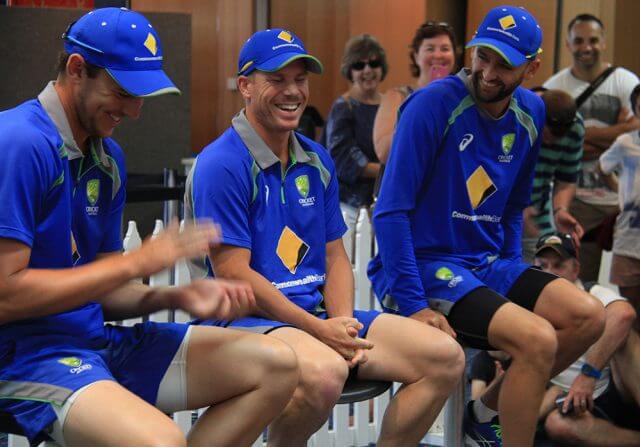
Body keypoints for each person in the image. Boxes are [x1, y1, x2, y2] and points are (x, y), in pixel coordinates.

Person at [0, 9, 299, 447]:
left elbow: (104, 294)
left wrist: (175, 296)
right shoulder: (20, 142)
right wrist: (137, 262)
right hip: (21, 359)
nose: (135, 111)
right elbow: (6, 296)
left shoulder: (106, 159)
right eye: (123, 91)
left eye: (143, 95)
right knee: (160, 441)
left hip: (95, 343)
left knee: (278, 365)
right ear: (77, 69)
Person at [186, 28, 465, 447]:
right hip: (243, 324)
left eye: (300, 79)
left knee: (445, 357)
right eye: (276, 80)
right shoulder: (221, 164)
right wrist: (320, 331)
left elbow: (335, 256)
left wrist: (340, 325)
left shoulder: (316, 158)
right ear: (245, 86)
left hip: (313, 318)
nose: (292, 91)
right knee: (325, 372)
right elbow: (234, 273)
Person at [368, 6, 605, 447]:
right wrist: (414, 304)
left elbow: (514, 207)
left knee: (590, 317)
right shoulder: (431, 105)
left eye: (505, 64)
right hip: (423, 265)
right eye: (483, 57)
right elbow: (390, 212)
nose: (489, 73)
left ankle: (486, 413)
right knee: (536, 339)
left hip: (486, 262)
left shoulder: (532, 112)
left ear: (532, 68)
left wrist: (510, 277)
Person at [544, 13, 640, 282]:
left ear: (604, 42)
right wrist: (617, 134)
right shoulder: (555, 86)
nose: (586, 47)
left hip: (621, 203)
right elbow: (553, 143)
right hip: (575, 202)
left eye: (593, 40)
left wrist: (580, 138)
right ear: (568, 44)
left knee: (625, 284)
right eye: (579, 41)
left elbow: (637, 133)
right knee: (578, 279)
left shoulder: (625, 82)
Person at [533, 233, 640, 447]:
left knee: (625, 335)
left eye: (558, 265)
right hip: (563, 398)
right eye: (542, 266)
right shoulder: (530, 301)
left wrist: (588, 375)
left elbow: (624, 314)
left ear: (575, 269)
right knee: (557, 425)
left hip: (609, 387)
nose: (549, 273)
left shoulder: (593, 293)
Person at [322, 34, 386, 231]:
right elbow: (344, 160)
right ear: (350, 70)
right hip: (349, 207)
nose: (368, 70)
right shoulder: (344, 107)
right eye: (359, 65)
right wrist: (389, 171)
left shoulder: (390, 105)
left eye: (374, 63)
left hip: (383, 203)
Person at [373, 21, 458, 164]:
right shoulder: (397, 96)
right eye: (430, 49)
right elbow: (384, 153)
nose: (438, 55)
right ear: (416, 56)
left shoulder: (463, 99)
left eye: (445, 49)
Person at [522, 88, 585, 262]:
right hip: (495, 215)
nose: (549, 142)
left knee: (542, 270)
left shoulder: (576, 127)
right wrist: (515, 208)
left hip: (537, 215)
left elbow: (566, 179)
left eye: (558, 138)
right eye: (547, 135)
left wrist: (560, 210)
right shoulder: (517, 116)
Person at [598, 83, 640, 309]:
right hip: (629, 237)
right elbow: (603, 167)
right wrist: (620, 192)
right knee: (630, 310)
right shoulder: (625, 143)